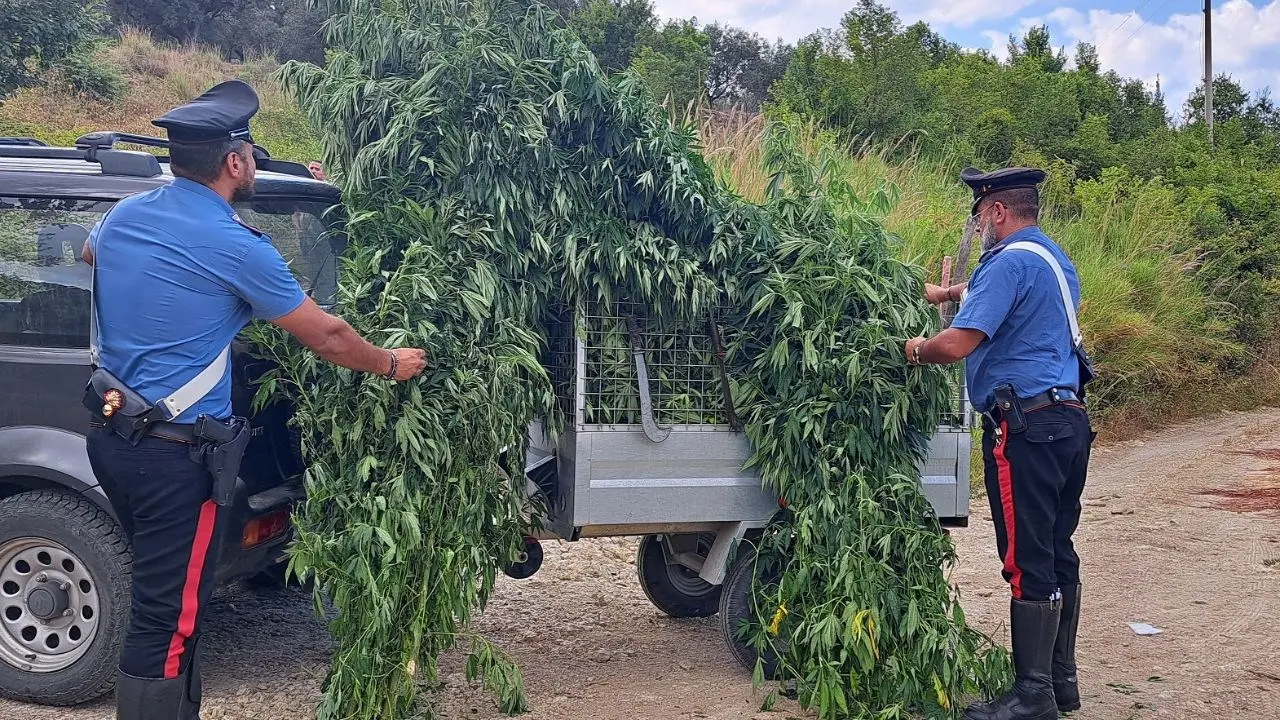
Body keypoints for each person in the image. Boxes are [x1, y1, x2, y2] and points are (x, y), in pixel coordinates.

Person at [81, 80, 428, 720]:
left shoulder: (123, 217)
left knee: (172, 599)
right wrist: (388, 363)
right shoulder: (235, 244)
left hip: (112, 438)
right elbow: (326, 333)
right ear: (235, 161)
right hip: (174, 457)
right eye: (250, 155)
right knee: (169, 617)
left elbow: (87, 251)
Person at [904, 167, 1094, 720]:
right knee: (1058, 548)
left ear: (997, 212)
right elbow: (999, 291)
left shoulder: (1006, 262)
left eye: (980, 215)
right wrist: (949, 291)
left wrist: (913, 349)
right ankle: (1062, 682)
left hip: (1025, 429)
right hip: (1068, 421)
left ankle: (1032, 697)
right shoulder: (1054, 261)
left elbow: (959, 343)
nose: (979, 226)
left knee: (1025, 557)